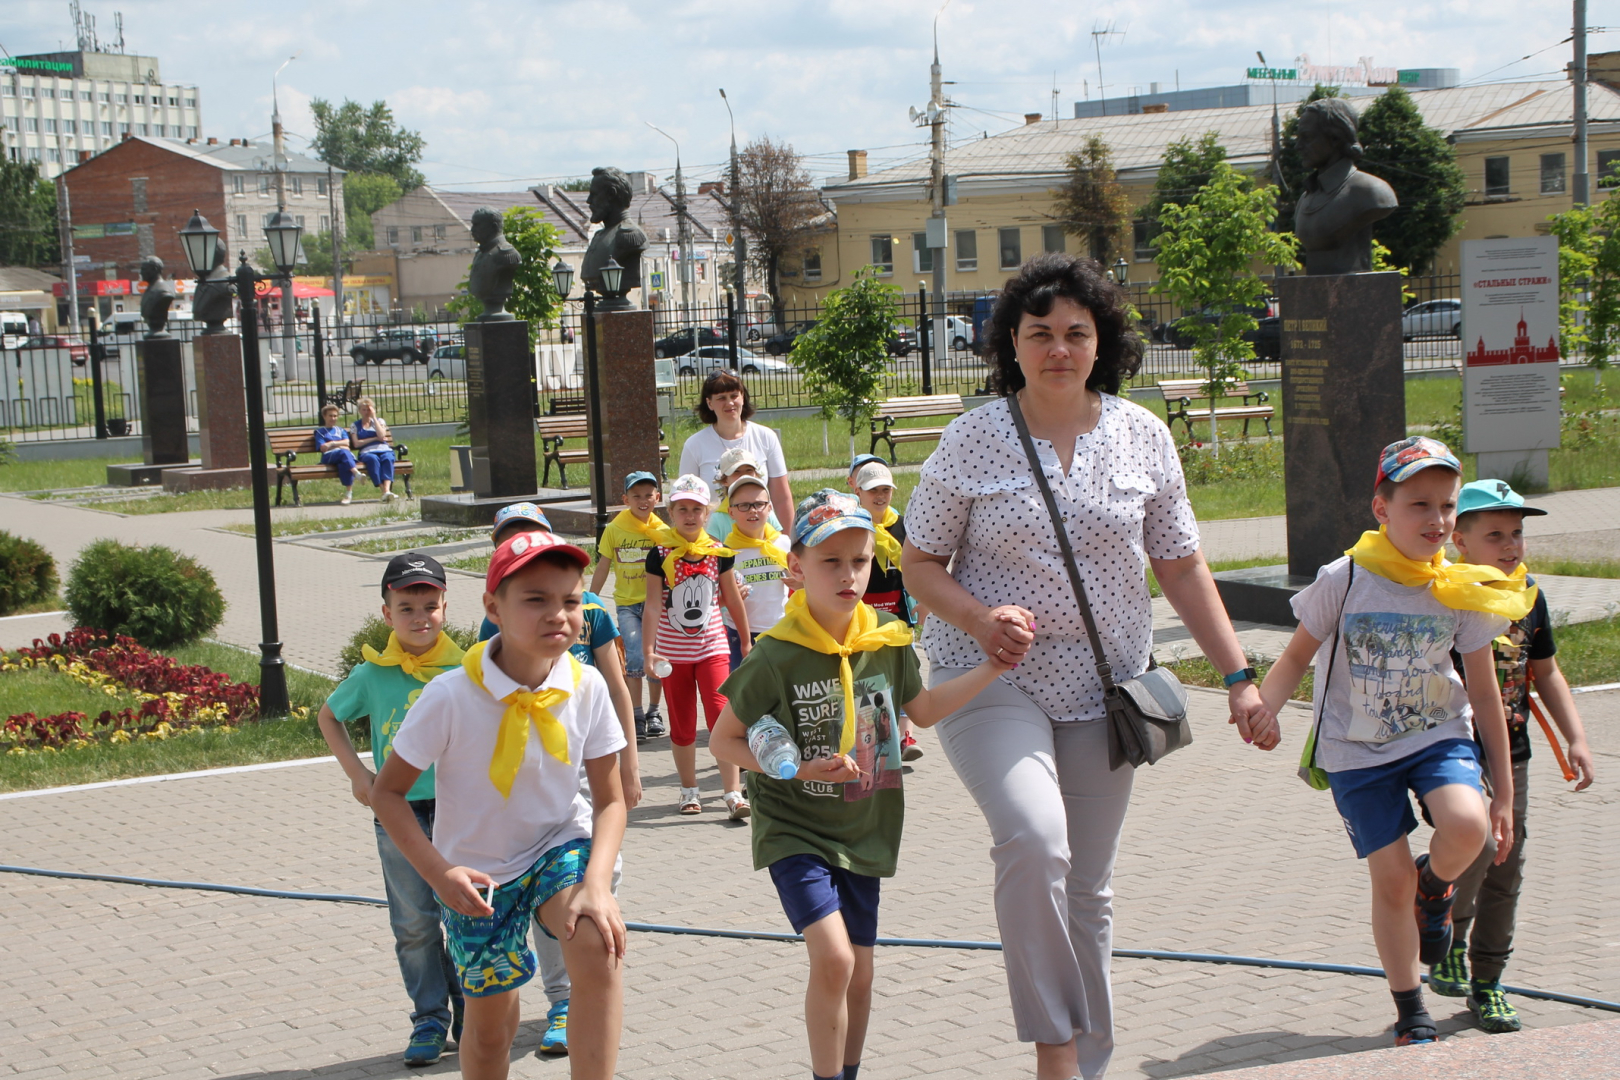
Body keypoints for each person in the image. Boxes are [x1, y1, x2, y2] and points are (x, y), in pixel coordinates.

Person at [900, 253, 1278, 1080]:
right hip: (989, 680)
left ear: (1102, 341)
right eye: (1040, 333)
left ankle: (1091, 1065)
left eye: (1077, 331)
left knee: (1087, 888)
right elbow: (917, 562)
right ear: (1010, 342)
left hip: (1106, 688)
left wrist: (1240, 678)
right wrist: (979, 618)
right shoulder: (971, 439)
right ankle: (1056, 1051)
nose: (1059, 348)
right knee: (1035, 842)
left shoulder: (1143, 435)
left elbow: (1181, 564)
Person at [710, 489, 1017, 1080]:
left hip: (865, 826)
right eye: (830, 561)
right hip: (795, 828)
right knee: (834, 958)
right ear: (796, 566)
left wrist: (992, 667)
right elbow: (724, 742)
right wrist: (799, 768)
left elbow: (923, 710)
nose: (848, 574)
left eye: (860, 559)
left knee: (861, 971)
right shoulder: (775, 655)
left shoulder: (889, 640)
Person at [1258, 437, 1533, 1047]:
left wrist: (1504, 795)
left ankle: (1434, 889)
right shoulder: (1345, 578)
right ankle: (1411, 1009)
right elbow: (1297, 656)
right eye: (1419, 505)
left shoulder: (1458, 588)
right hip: (1355, 753)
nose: (1437, 519)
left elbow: (1484, 692)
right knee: (1390, 881)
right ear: (1382, 509)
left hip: (1435, 736)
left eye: (1447, 506)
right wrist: (1263, 708)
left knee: (1469, 828)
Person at [372, 531, 629, 1080]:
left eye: (570, 600)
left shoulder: (586, 685)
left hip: (557, 847)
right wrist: (439, 873)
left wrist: (597, 884)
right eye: (535, 599)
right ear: (494, 608)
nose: (557, 614)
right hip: (477, 875)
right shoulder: (450, 695)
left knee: (595, 943)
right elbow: (386, 792)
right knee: (490, 1034)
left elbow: (610, 802)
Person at [1428, 479, 1596, 1033]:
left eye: (1516, 534)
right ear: (1459, 541)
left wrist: (1576, 738)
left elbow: (1546, 672)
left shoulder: (1528, 596)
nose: (1510, 545)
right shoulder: (1444, 594)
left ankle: (1488, 982)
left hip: (1513, 754)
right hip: (1451, 751)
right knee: (1475, 845)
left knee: (1506, 861)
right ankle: (1447, 931)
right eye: (1495, 534)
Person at [478, 503, 642, 1055]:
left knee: (591, 894)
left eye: (534, 535)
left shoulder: (590, 614)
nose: (556, 613)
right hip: (529, 782)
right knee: (550, 906)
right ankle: (560, 998)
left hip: (585, 770)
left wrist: (630, 762)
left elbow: (616, 686)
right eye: (511, 539)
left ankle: (571, 997)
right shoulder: (499, 621)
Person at [315, 553, 466, 1066]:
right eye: (406, 608)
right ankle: (429, 1018)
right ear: (386, 613)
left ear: (445, 607)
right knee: (414, 922)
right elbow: (329, 716)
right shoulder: (372, 674)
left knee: (463, 914)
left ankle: (473, 1016)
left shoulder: (466, 670)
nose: (420, 617)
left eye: (430, 606)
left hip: (458, 811)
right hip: (398, 814)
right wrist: (359, 776)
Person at [643, 474, 753, 818]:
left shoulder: (719, 552)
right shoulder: (659, 553)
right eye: (682, 509)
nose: (689, 516)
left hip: (712, 649)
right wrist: (648, 651)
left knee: (721, 716)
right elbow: (652, 606)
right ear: (671, 513)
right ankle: (689, 789)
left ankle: (732, 792)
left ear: (707, 514)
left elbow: (732, 599)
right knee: (682, 722)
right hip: (672, 654)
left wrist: (746, 642)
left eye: (696, 509)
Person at [851, 460, 925, 761]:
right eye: (873, 491)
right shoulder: (853, 526)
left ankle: (905, 738)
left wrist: (925, 600)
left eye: (885, 490)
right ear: (858, 492)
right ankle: (878, 741)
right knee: (870, 679)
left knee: (906, 674)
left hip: (898, 617)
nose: (880, 496)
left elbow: (920, 567)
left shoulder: (904, 526)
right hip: (864, 618)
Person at [591, 472, 667, 741]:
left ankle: (654, 712)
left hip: (656, 604)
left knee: (655, 657)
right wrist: (590, 599)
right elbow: (603, 566)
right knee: (634, 656)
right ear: (625, 499)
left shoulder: (663, 532)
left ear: (657, 498)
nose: (643, 500)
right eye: (636, 496)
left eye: (648, 495)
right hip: (627, 605)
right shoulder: (614, 529)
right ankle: (636, 714)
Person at [678, 370, 793, 529]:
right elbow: (685, 501)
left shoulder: (766, 437)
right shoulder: (694, 445)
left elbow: (781, 498)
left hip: (762, 536)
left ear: (743, 398)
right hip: (714, 537)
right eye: (721, 398)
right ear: (709, 403)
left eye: (734, 396)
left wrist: (788, 539)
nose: (730, 403)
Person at [719, 474, 793, 668]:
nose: (752, 510)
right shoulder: (724, 552)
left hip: (780, 631)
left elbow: (808, 583)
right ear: (731, 512)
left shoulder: (784, 544)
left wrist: (801, 583)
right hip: (739, 635)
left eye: (759, 504)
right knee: (743, 686)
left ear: (769, 508)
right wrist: (726, 599)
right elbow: (712, 601)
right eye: (743, 505)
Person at [706, 447, 782, 542]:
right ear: (725, 480)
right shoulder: (718, 519)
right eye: (736, 471)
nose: (743, 475)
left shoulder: (764, 510)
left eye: (749, 470)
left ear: (756, 474)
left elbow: (779, 543)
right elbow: (713, 549)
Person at [352, 396, 398, 501]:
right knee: (373, 460)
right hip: (367, 452)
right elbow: (356, 444)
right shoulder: (355, 425)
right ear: (359, 411)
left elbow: (382, 435)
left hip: (384, 449)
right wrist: (374, 438)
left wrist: (374, 417)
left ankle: (387, 490)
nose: (366, 412)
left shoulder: (379, 421)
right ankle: (384, 491)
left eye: (369, 410)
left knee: (388, 458)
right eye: (364, 410)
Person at [314, 404, 358, 505]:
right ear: (324, 416)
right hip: (328, 457)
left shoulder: (341, 430)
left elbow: (347, 443)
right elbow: (323, 448)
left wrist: (331, 443)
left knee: (344, 464)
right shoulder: (320, 432)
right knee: (344, 452)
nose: (333, 418)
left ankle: (348, 495)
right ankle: (356, 472)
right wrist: (340, 445)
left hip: (342, 456)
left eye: (335, 416)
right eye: (330, 416)